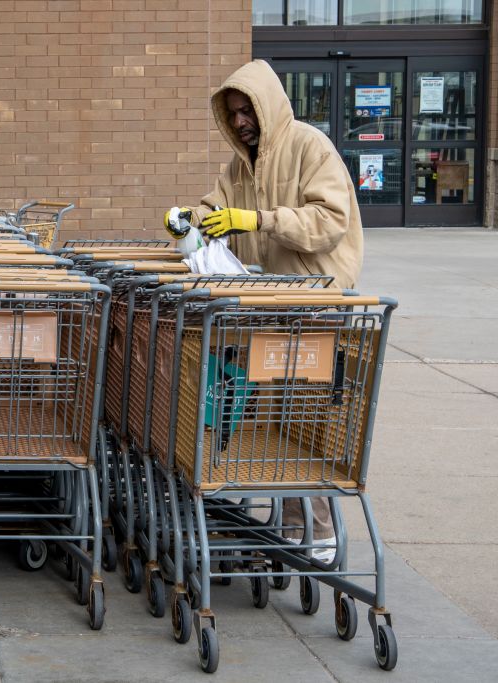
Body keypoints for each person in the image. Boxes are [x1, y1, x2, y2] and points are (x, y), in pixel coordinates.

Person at [163, 59, 365, 560]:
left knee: (303, 423)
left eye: (245, 111)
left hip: (314, 305)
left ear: (266, 106)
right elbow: (217, 205)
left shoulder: (310, 147)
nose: (239, 122)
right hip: (267, 304)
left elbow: (330, 220)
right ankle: (289, 523)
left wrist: (260, 219)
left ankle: (315, 528)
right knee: (273, 421)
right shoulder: (241, 165)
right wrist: (190, 219)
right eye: (231, 114)